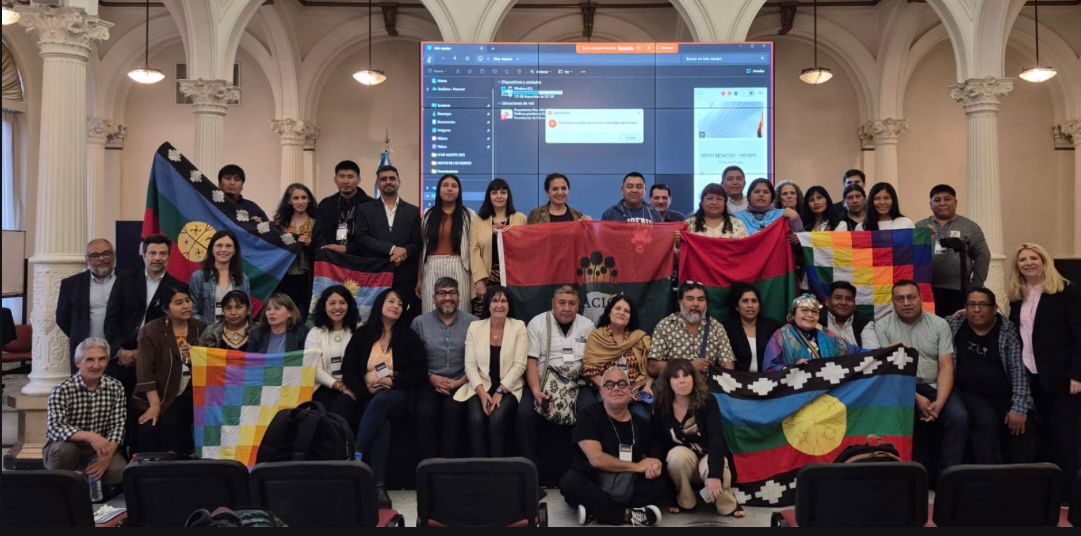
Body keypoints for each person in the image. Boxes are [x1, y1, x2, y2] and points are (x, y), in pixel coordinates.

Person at [342, 288, 427, 507]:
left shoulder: (408, 335)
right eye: (391, 301)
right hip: (369, 397)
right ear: (380, 304)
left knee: (382, 403)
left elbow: (420, 370)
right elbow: (348, 369)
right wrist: (365, 391)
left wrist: (393, 382)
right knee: (382, 420)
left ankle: (356, 454)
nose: (396, 306)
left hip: (401, 396)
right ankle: (379, 486)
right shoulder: (362, 334)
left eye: (400, 304)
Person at [1007, 242, 1080, 494]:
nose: (1028, 263)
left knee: (1066, 437)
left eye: (1033, 258)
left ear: (1044, 261)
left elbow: (1079, 334)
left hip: (1062, 377)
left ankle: (1070, 493)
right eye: (1023, 259)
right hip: (1032, 376)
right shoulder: (1018, 297)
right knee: (1044, 436)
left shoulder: (1067, 292)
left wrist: (1077, 374)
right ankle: (1048, 492)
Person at [876, 280, 967, 469]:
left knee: (958, 417)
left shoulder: (939, 324)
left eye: (911, 297)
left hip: (935, 385)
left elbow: (946, 366)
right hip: (900, 387)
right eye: (900, 299)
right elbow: (887, 369)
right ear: (893, 302)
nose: (906, 303)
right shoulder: (882, 326)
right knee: (905, 419)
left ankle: (948, 476)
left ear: (921, 298)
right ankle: (910, 476)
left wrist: (939, 403)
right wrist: (915, 396)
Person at [558, 366, 665, 526]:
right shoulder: (588, 415)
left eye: (622, 384)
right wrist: (638, 467)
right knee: (570, 482)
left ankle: (595, 511)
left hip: (626, 482)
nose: (616, 388)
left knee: (659, 483)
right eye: (609, 384)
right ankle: (627, 515)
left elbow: (648, 458)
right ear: (601, 392)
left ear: (630, 391)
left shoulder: (641, 423)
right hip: (594, 480)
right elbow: (596, 459)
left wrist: (654, 466)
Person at [946, 288, 1035, 464]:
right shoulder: (955, 324)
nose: (977, 309)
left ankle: (1020, 478)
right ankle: (989, 477)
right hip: (968, 393)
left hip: (1004, 393)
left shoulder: (1007, 330)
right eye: (972, 305)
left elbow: (1018, 369)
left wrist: (1018, 407)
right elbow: (930, 322)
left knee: (1023, 424)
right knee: (986, 422)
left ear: (994, 309)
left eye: (983, 304)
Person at [652, 360, 742, 517]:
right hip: (686, 465)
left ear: (694, 379)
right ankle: (685, 501)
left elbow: (716, 439)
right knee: (676, 455)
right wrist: (655, 464)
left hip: (710, 460)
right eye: (676, 377)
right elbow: (657, 441)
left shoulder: (708, 401)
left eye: (686, 375)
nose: (682, 381)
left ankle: (728, 504)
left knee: (712, 466)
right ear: (668, 382)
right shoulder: (661, 406)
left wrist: (715, 475)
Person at [518, 285, 596, 465]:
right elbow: (531, 361)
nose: (567, 308)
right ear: (553, 303)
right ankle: (530, 469)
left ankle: (582, 468)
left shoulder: (587, 326)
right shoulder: (537, 323)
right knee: (525, 413)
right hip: (543, 382)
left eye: (572, 303)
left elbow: (592, 361)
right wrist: (536, 391)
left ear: (578, 305)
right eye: (562, 303)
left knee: (590, 408)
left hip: (577, 384)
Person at [105, 234, 182, 398]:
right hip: (122, 359)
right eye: (152, 253)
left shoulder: (178, 287)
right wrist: (120, 351)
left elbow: (176, 327)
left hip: (156, 362)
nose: (157, 258)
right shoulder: (124, 280)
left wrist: (144, 353)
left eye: (163, 254)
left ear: (169, 257)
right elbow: (111, 319)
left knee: (150, 408)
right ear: (144, 255)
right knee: (121, 408)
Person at [453, 286, 528, 457]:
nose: (499, 305)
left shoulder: (519, 327)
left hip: (508, 387)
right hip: (480, 385)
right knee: (475, 420)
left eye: (503, 301)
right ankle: (480, 468)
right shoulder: (475, 327)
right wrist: (481, 393)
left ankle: (498, 468)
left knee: (496, 419)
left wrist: (500, 392)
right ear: (488, 304)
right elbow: (470, 365)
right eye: (495, 301)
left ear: (509, 305)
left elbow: (519, 365)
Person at [132, 283, 206, 455]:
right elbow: (144, 371)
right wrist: (155, 405)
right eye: (179, 303)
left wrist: (195, 357)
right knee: (151, 428)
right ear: (166, 309)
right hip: (159, 394)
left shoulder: (200, 328)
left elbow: (207, 363)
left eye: (187, 300)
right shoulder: (151, 330)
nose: (186, 306)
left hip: (190, 395)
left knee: (179, 425)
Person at [45, 338, 127, 488]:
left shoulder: (116, 387)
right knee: (63, 452)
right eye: (90, 359)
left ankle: (87, 483)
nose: (96, 365)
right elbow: (55, 428)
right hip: (68, 445)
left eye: (102, 359)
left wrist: (107, 456)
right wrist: (91, 436)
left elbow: (118, 426)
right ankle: (60, 486)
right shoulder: (62, 389)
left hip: (100, 448)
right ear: (77, 363)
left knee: (118, 471)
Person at [413, 277, 478, 458]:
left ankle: (449, 467)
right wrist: (431, 378)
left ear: (459, 297)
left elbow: (480, 360)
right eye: (442, 293)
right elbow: (412, 360)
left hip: (463, 382)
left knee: (453, 411)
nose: (447, 297)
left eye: (452, 293)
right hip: (429, 381)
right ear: (434, 298)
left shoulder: (473, 323)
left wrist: (460, 382)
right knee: (424, 412)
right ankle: (428, 466)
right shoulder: (419, 323)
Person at [350, 164, 424, 322]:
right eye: (383, 179)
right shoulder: (365, 209)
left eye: (392, 178)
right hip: (375, 275)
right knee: (374, 318)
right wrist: (392, 249)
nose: (388, 182)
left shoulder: (413, 211)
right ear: (378, 183)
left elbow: (417, 243)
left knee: (403, 320)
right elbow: (362, 238)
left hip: (404, 276)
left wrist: (403, 253)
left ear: (399, 182)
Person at [915, 184, 991, 316]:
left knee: (956, 325)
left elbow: (982, 256)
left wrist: (975, 286)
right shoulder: (920, 227)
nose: (942, 203)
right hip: (926, 290)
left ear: (955, 202)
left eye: (947, 199)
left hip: (959, 291)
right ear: (930, 204)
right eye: (937, 200)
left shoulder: (970, 227)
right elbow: (910, 255)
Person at [582, 295, 653, 421]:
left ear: (630, 317)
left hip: (635, 394)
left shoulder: (639, 338)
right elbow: (590, 371)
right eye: (618, 308)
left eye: (626, 311)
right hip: (607, 391)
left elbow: (650, 370)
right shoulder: (597, 337)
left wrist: (647, 387)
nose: (622, 313)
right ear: (609, 312)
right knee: (606, 419)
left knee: (643, 418)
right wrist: (613, 389)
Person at [646, 282, 735, 376]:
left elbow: (728, 367)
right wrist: (689, 365)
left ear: (706, 304)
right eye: (690, 299)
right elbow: (653, 367)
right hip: (675, 384)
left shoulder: (716, 327)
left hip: (707, 385)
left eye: (701, 299)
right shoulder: (665, 325)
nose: (695, 304)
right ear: (680, 302)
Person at [56, 238, 118, 373]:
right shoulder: (71, 284)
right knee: (85, 386)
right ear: (87, 259)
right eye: (95, 255)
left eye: (106, 253)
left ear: (114, 256)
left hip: (121, 354)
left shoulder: (129, 280)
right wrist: (80, 334)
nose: (101, 258)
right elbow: (62, 318)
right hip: (86, 354)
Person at [420, 174, 476, 314]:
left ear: (459, 191)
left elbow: (475, 249)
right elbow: (422, 249)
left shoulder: (469, 215)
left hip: (460, 265)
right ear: (439, 190)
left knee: (461, 311)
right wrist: (419, 279)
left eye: (454, 186)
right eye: (445, 185)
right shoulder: (428, 214)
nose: (449, 189)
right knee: (430, 310)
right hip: (432, 266)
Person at [305, 285, 361, 426]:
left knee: (344, 404)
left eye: (342, 302)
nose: (337, 307)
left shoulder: (358, 331)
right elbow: (314, 369)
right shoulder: (315, 333)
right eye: (332, 303)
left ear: (349, 305)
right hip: (323, 387)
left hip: (353, 386)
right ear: (324, 307)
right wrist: (339, 386)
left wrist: (349, 387)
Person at [469, 178, 527, 313]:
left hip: (513, 279)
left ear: (508, 195)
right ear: (489, 196)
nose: (499, 196)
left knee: (512, 316)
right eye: (494, 193)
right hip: (486, 278)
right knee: (483, 317)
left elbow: (526, 249)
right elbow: (474, 251)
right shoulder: (478, 220)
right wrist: (479, 280)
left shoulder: (520, 218)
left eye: (503, 192)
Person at [763, 294, 859, 372]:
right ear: (793, 315)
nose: (810, 315)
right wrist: (792, 368)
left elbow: (854, 351)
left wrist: (869, 355)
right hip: (797, 387)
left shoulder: (827, 334)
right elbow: (769, 368)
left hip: (827, 385)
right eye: (804, 310)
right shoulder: (781, 335)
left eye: (814, 312)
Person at [273, 183, 317, 320]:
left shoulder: (316, 223)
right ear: (289, 201)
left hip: (308, 277)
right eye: (296, 198)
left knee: (305, 313)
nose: (300, 202)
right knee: (286, 313)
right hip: (284, 276)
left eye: (304, 197)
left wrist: (311, 244)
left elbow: (322, 249)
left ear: (309, 200)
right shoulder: (279, 225)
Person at [188, 230, 251, 322]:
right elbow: (193, 312)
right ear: (212, 249)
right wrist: (210, 328)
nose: (223, 249)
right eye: (219, 245)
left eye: (228, 246)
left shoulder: (243, 278)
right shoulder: (198, 277)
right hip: (207, 330)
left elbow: (247, 311)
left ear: (234, 251)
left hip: (236, 330)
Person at [313, 160, 372, 252]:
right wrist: (328, 248)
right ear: (335, 180)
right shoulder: (326, 204)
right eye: (341, 176)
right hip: (330, 255)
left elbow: (372, 238)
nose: (345, 181)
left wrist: (347, 249)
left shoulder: (370, 204)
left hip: (360, 257)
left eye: (350, 177)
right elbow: (319, 234)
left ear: (358, 180)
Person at [722, 284, 782, 373]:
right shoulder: (725, 328)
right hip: (738, 379)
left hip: (768, 378)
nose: (750, 305)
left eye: (754, 301)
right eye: (745, 301)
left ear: (759, 306)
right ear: (736, 307)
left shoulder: (772, 326)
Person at [820, 281, 879, 349]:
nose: (843, 302)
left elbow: (872, 352)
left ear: (854, 304)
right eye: (838, 298)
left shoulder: (864, 323)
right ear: (827, 302)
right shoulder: (817, 319)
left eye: (849, 299)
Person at [733, 178, 803, 236]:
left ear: (772, 197)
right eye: (757, 191)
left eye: (766, 192)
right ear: (749, 196)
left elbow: (799, 239)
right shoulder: (737, 217)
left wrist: (795, 218)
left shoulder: (785, 215)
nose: (761, 195)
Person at [527, 173, 592, 223]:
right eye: (555, 189)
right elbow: (528, 236)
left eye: (563, 188)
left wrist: (589, 226)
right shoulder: (535, 215)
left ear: (568, 190)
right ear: (547, 192)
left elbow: (585, 236)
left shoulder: (578, 215)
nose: (560, 193)